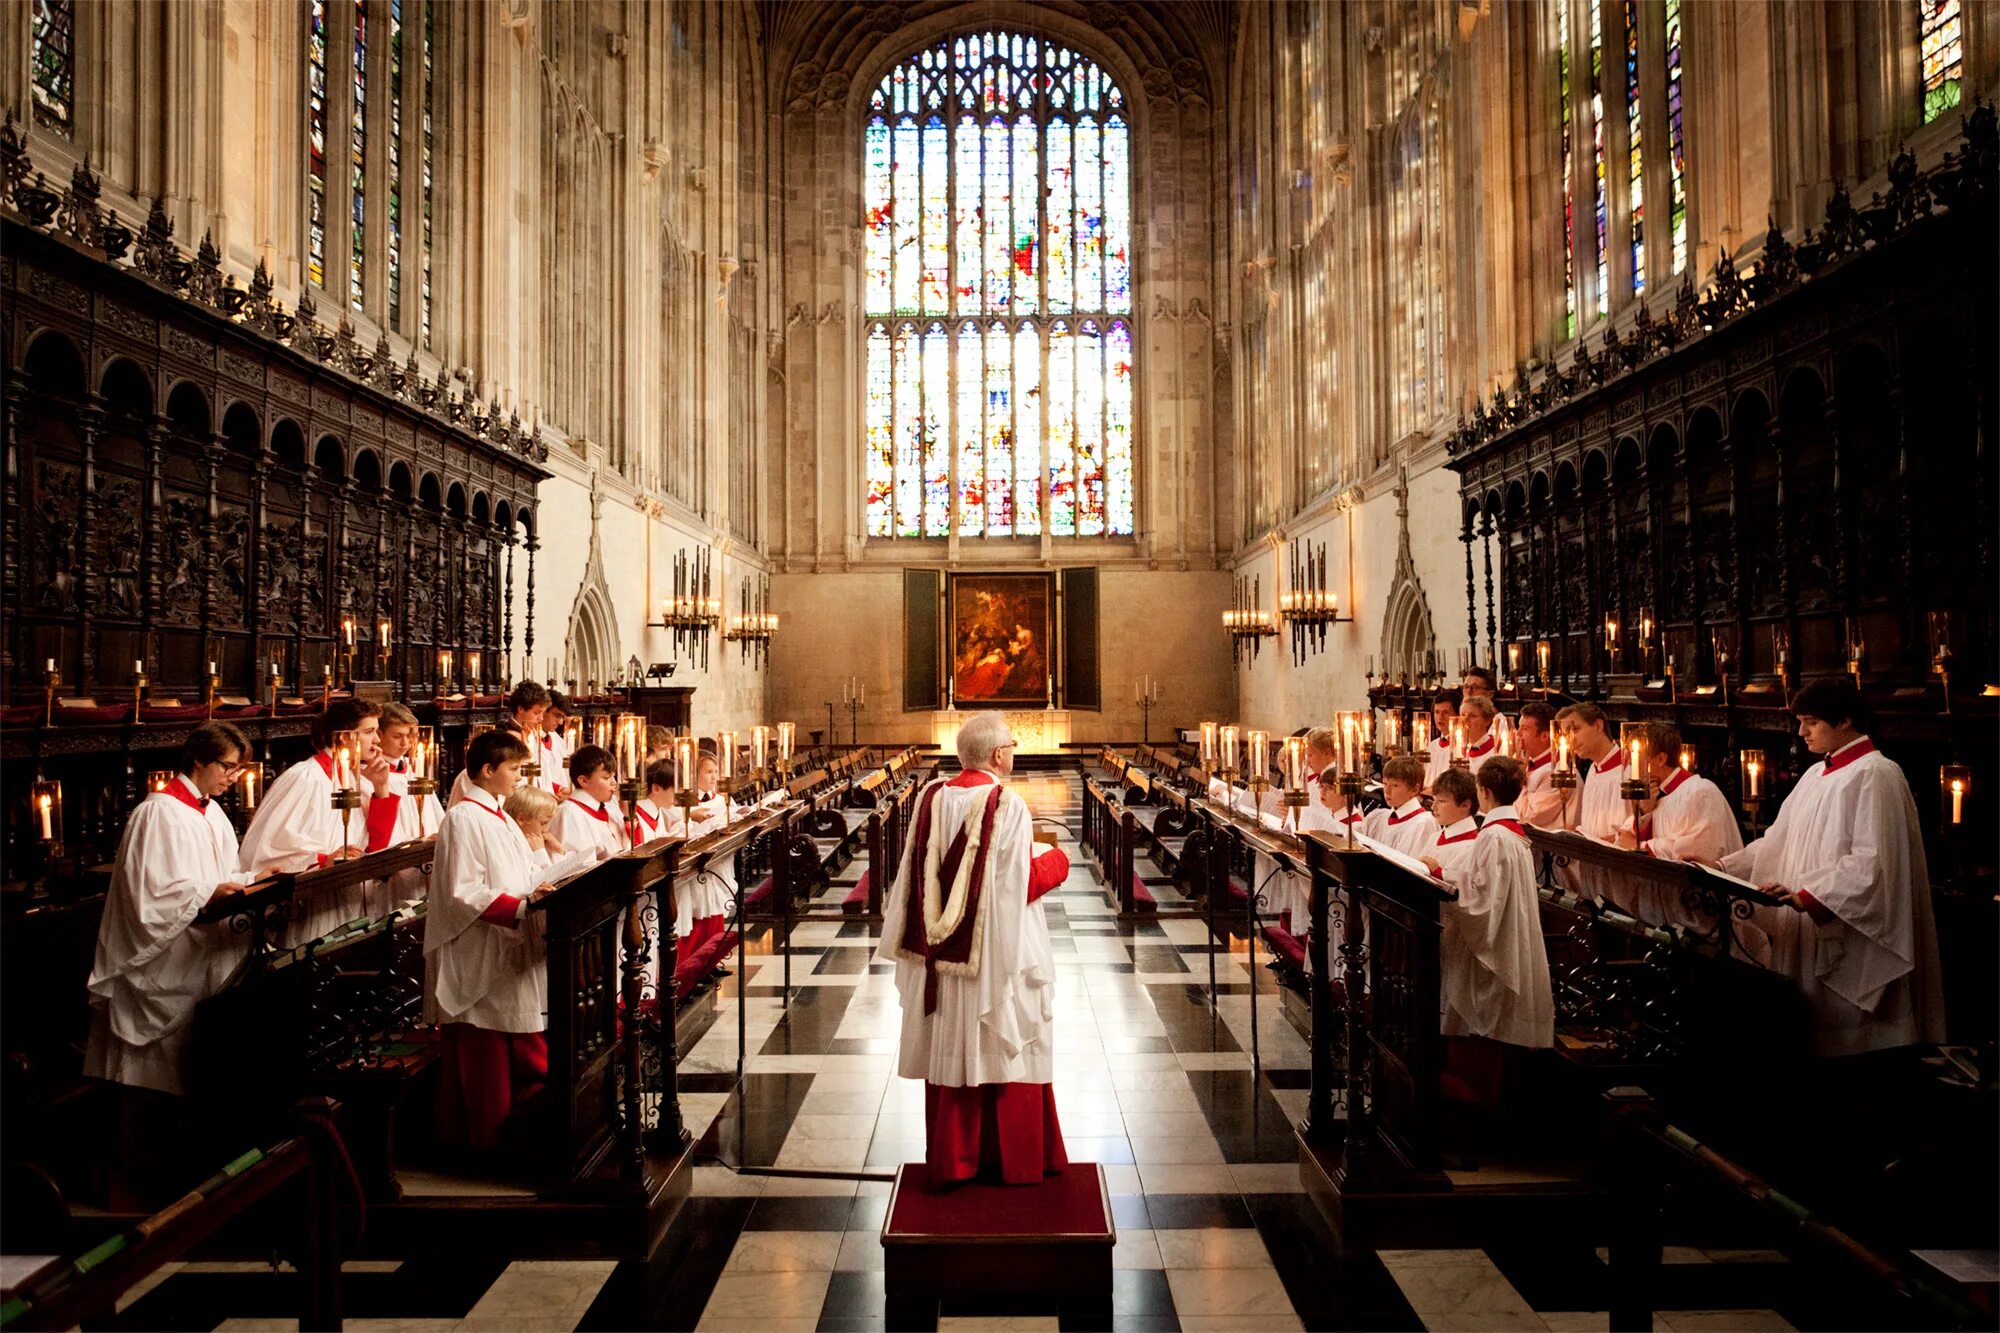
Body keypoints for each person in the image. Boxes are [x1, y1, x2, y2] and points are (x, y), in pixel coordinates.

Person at [877, 711, 1071, 1185]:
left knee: (955, 1037)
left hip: (942, 955)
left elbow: (921, 874)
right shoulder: (1007, 804)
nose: (1012, 753)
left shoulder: (929, 798)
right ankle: (1011, 1160)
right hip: (993, 957)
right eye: (1010, 746)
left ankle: (954, 1157)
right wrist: (1058, 863)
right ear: (997, 754)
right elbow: (1011, 886)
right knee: (1004, 1032)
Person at [1720, 679, 1945, 1058]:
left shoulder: (1876, 773)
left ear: (1845, 721)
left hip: (1844, 925)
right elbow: (1778, 841)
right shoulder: (1815, 774)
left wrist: (1809, 896)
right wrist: (1720, 866)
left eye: (1811, 721)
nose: (1801, 731)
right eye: (1800, 721)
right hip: (1806, 924)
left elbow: (1874, 863)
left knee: (1854, 1040)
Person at [86, 722, 255, 1102]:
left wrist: (255, 879)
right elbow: (151, 893)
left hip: (200, 948)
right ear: (198, 759)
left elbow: (221, 875)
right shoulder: (158, 813)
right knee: (151, 1082)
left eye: (238, 769)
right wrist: (209, 891)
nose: (234, 777)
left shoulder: (211, 813)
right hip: (167, 956)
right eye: (228, 767)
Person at [423, 728, 558, 1153]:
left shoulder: (499, 816)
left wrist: (543, 886)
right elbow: (462, 890)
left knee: (510, 1043)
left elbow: (519, 875)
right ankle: (483, 1142)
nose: (520, 777)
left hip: (507, 941)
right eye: (514, 769)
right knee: (485, 1056)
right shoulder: (463, 818)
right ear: (487, 769)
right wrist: (521, 907)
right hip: (478, 947)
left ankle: (512, 1136)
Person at [1427, 756, 1555, 1111]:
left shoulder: (1495, 837)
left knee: (1478, 1032)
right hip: (1503, 937)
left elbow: (1480, 900)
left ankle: (1472, 1119)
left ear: (1483, 792)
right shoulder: (1512, 834)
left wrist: (1440, 873)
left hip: (1491, 947)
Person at [238, 698, 400, 942]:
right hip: (313, 905)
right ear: (344, 736)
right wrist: (324, 860)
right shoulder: (305, 778)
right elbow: (270, 850)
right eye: (369, 732)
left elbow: (376, 845)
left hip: (349, 896)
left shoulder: (357, 777)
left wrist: (381, 787)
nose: (377, 740)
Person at [1614, 722, 1743, 867]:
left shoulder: (1700, 792)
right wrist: (1644, 812)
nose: (1631, 766)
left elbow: (1699, 849)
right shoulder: (1656, 793)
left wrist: (1643, 847)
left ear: (1661, 759)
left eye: (1637, 758)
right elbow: (1624, 837)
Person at [377, 702, 442, 911]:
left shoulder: (411, 769)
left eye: (409, 735)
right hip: (399, 866)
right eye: (397, 736)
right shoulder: (373, 775)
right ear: (379, 734)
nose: (405, 743)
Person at [549, 745, 628, 858]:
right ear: (584, 781)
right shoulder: (569, 813)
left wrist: (627, 816)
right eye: (606, 778)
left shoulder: (610, 808)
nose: (614, 783)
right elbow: (572, 864)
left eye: (613, 776)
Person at [1560, 702, 1624, 840]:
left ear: (1598, 726)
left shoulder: (1628, 770)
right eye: (1567, 734)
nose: (1571, 740)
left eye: (1576, 729)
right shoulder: (1592, 770)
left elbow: (1631, 832)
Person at [1364, 756, 1438, 858]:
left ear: (1414, 790)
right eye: (1385, 784)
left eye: (1395, 785)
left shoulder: (1424, 823)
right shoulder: (1377, 817)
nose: (1387, 791)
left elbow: (1415, 867)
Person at [1421, 767, 1482, 886]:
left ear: (1465, 805)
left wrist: (1438, 873)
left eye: (1441, 801)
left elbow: (1471, 894)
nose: (1433, 807)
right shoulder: (1436, 837)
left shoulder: (1474, 847)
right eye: (1434, 800)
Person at [1514, 702, 1565, 828]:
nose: (1518, 734)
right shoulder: (1528, 764)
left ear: (1545, 736)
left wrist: (1517, 780)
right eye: (1519, 727)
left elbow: (1529, 817)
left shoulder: (1557, 772)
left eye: (1524, 729)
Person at [1456, 696, 1502, 774]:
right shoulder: (1455, 748)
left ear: (1487, 720)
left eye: (1472, 716)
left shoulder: (1498, 748)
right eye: (1463, 715)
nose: (1465, 720)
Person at [1423, 693, 1459, 790]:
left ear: (1457, 715)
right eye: (1437, 712)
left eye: (1445, 712)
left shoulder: (1461, 748)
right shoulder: (1431, 746)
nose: (1440, 717)